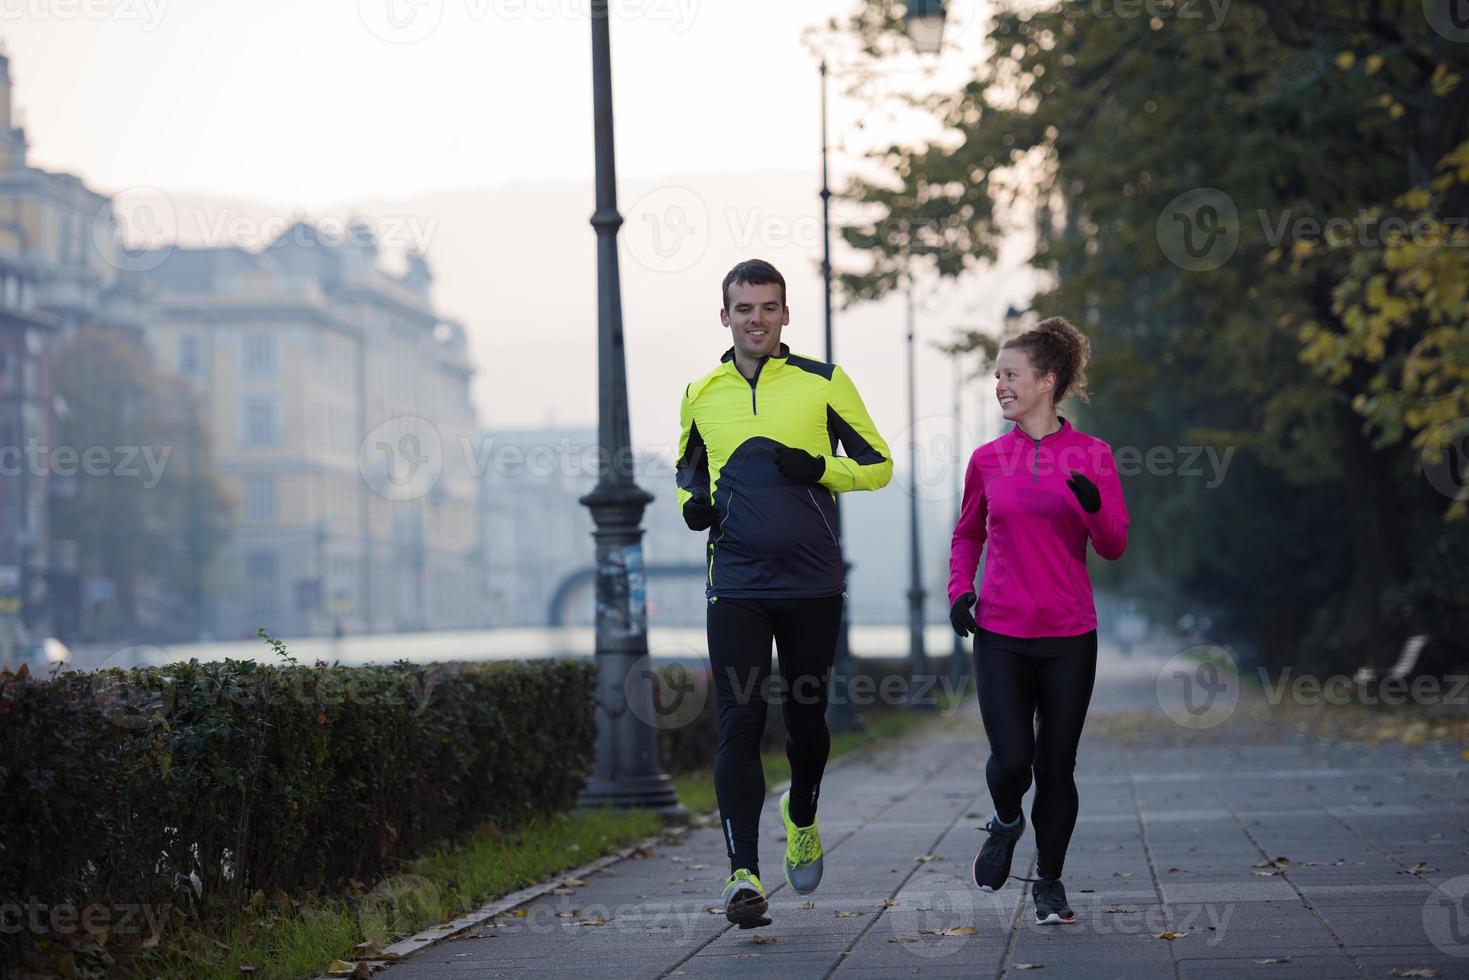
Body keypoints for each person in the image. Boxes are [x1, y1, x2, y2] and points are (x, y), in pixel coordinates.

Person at [676, 259, 892, 928]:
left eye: (768, 307)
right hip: (735, 583)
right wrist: (693, 507)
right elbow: (690, 472)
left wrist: (821, 468)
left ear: (785, 314)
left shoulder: (823, 382)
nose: (756, 319)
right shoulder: (700, 390)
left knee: (804, 723)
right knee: (738, 723)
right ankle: (742, 875)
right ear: (725, 317)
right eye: (744, 309)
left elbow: (879, 464)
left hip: (811, 583)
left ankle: (801, 812)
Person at [947, 315, 1128, 926]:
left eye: (1010, 375)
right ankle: (1003, 821)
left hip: (1069, 636)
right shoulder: (987, 460)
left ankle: (1048, 882)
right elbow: (968, 533)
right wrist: (957, 592)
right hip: (999, 632)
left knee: (1056, 767)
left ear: (1047, 381)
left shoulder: (1093, 456)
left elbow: (1113, 546)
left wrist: (1094, 508)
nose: (999, 385)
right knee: (1011, 761)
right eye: (996, 375)